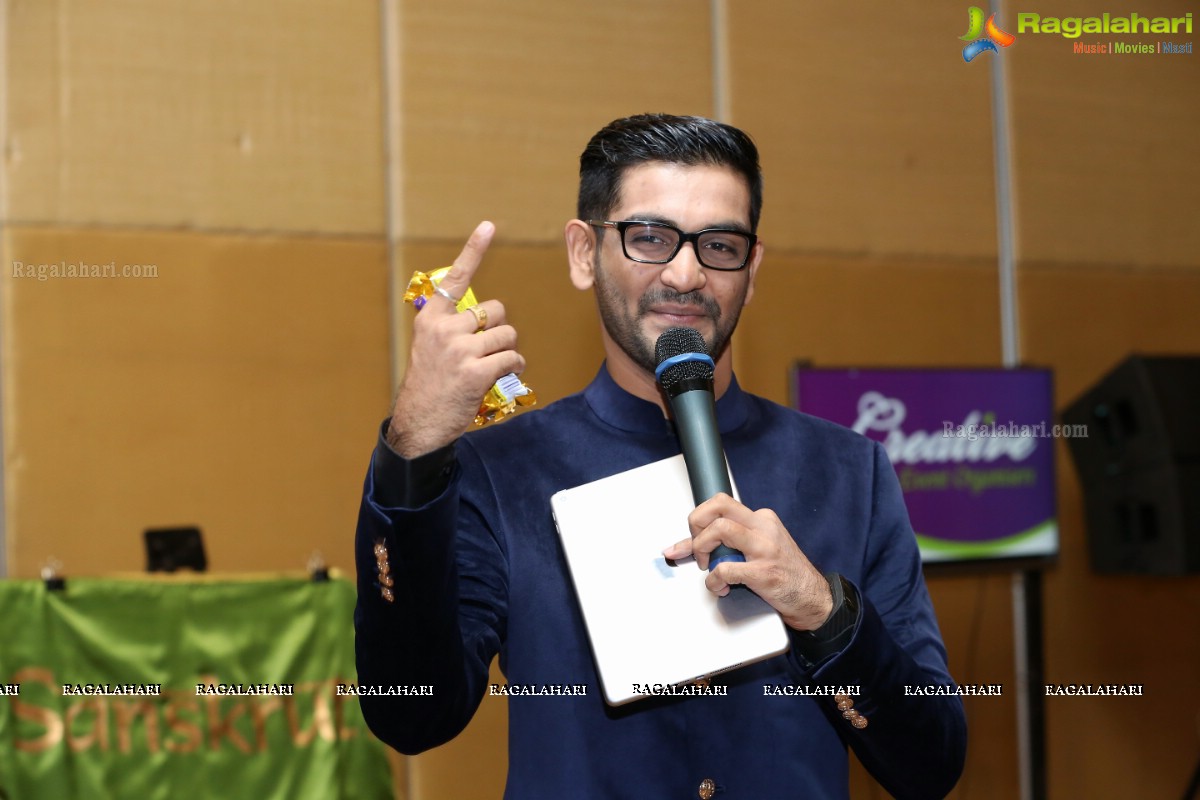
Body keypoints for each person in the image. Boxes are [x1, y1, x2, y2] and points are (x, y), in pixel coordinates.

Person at [354, 114, 967, 799]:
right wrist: (413, 448)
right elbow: (409, 712)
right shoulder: (501, 473)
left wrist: (819, 608)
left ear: (752, 268)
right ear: (585, 253)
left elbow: (930, 763)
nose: (686, 273)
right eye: (649, 238)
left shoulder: (849, 472)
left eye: (720, 245)